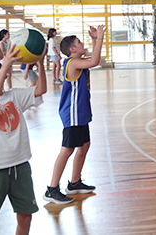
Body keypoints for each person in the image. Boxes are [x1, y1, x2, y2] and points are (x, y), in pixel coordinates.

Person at [0, 46, 46, 235]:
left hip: (20, 164)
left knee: (26, 217)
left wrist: (41, 64)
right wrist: (4, 67)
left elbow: (41, 89)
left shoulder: (14, 95)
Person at [44, 25, 106, 204]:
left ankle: (74, 182)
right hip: (72, 114)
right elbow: (94, 61)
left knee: (85, 145)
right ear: (72, 49)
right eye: (79, 42)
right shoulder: (72, 63)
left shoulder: (78, 61)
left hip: (81, 112)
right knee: (67, 149)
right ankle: (52, 189)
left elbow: (94, 58)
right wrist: (100, 37)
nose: (82, 43)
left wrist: (95, 39)